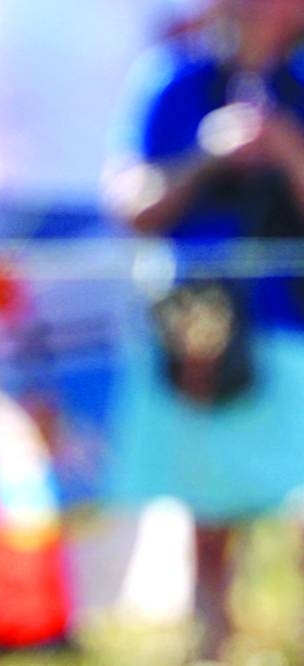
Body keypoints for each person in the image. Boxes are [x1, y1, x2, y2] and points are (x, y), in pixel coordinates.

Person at [104, 0, 304, 658]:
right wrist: (210, 155)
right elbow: (131, 204)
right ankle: (211, 644)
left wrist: (283, 149)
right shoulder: (176, 77)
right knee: (209, 512)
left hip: (292, 326)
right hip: (198, 332)